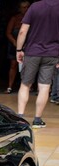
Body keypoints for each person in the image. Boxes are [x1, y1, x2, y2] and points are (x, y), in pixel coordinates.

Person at [15, 0, 59, 128]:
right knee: (45, 87)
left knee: (25, 84)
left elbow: (23, 31)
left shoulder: (35, 7)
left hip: (32, 52)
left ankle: (20, 118)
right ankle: (37, 120)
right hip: (52, 54)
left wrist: (19, 49)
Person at [5, 1, 30, 94]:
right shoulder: (15, 18)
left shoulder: (33, 18)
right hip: (15, 44)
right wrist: (14, 42)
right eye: (23, 7)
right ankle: (10, 86)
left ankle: (26, 86)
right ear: (19, 8)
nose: (26, 9)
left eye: (27, 7)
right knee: (13, 64)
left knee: (28, 65)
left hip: (28, 45)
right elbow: (8, 33)